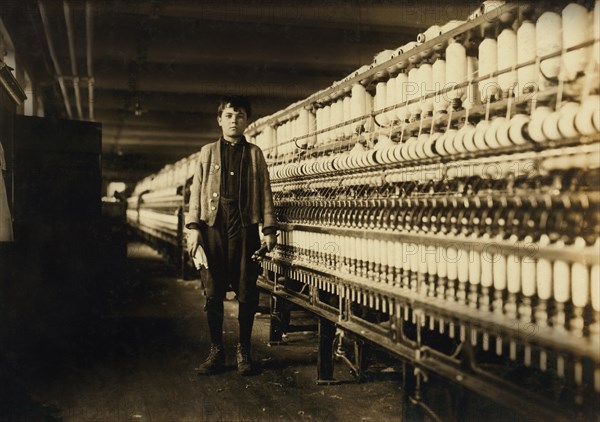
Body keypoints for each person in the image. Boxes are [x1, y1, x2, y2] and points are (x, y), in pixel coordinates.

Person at [185, 96, 277, 375]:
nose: (233, 121)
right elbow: (196, 192)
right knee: (213, 293)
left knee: (247, 293)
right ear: (220, 120)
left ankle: (243, 351)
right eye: (228, 115)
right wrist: (193, 229)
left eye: (239, 116)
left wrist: (269, 229)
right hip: (214, 228)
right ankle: (216, 351)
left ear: (246, 121)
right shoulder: (207, 152)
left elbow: (265, 192)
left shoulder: (255, 153)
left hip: (245, 228)